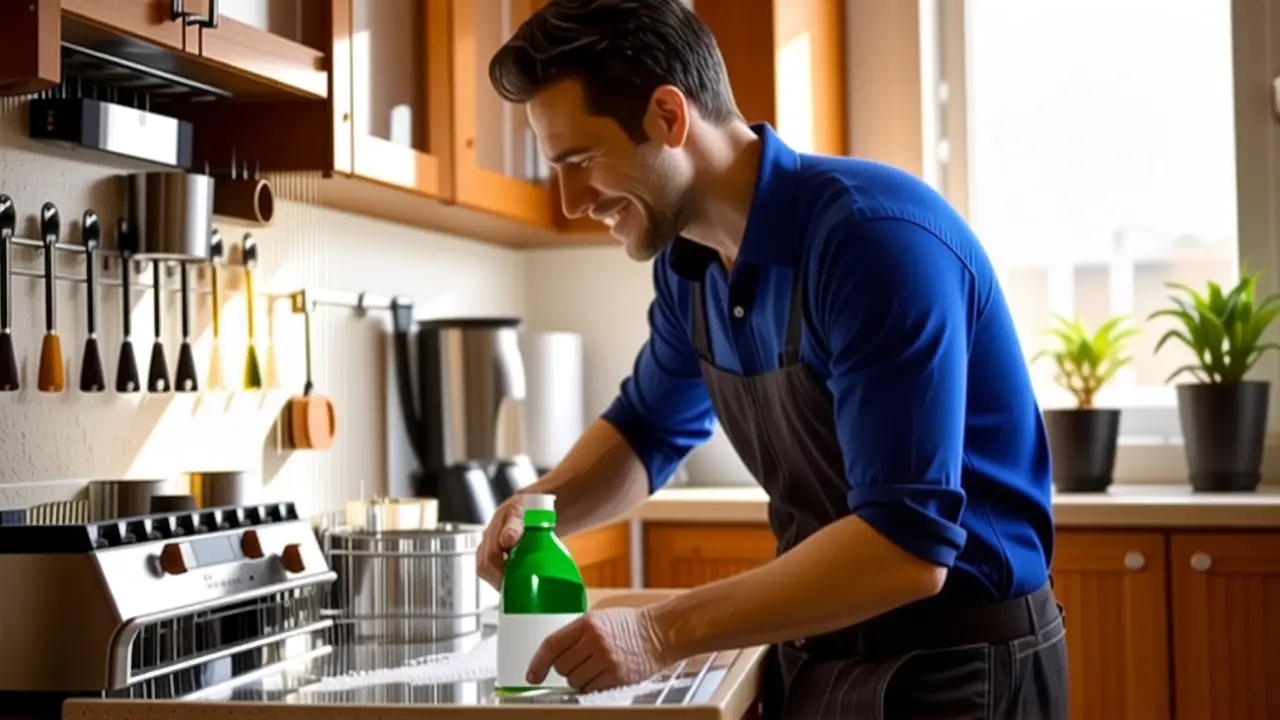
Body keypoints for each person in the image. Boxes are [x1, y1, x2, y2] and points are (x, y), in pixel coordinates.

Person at [478, 0, 1068, 717]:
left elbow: (907, 548)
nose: (571, 201)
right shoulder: (687, 263)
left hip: (956, 668)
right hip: (819, 652)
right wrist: (539, 509)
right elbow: (647, 431)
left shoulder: (871, 241)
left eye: (581, 160)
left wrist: (660, 630)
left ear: (669, 116)